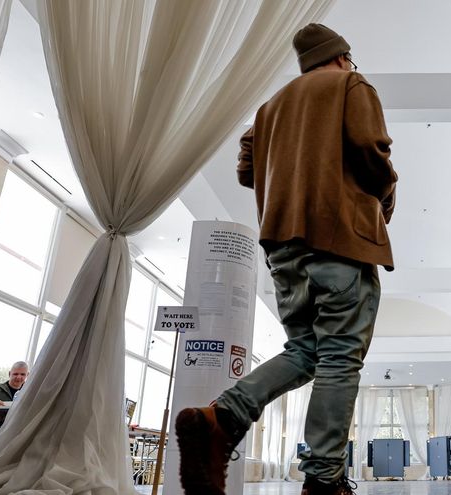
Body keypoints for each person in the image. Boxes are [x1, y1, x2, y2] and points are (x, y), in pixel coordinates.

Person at [176, 23, 397, 495]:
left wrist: (287, 176)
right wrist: (386, 192)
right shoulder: (351, 85)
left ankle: (221, 418)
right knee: (339, 356)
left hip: (283, 249)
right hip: (339, 237)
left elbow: (244, 170)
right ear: (341, 57)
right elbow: (370, 149)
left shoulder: (269, 108)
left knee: (305, 351)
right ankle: (324, 479)